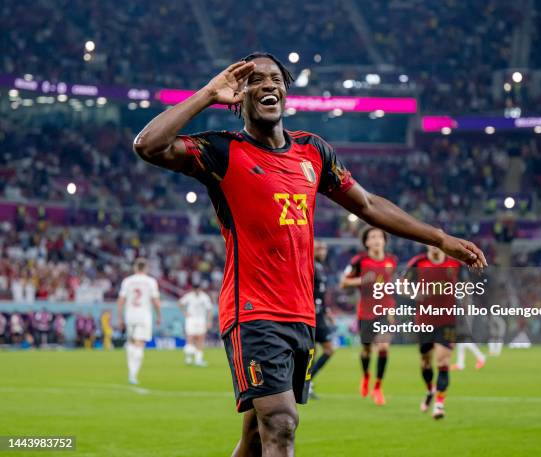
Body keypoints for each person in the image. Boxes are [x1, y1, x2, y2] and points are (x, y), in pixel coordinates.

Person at [133, 52, 486, 456]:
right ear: (238, 97)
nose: (269, 85)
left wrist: (438, 238)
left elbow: (368, 205)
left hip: (300, 315)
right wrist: (208, 93)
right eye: (255, 80)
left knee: (254, 439)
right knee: (281, 423)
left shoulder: (312, 152)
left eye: (276, 78)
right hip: (253, 311)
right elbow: (149, 145)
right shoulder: (223, 152)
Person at [340, 227, 397, 406]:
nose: (376, 240)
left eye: (379, 236)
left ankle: (378, 387)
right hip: (365, 312)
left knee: (383, 346)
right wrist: (362, 280)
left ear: (384, 241)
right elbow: (344, 283)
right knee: (366, 350)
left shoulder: (391, 261)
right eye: (372, 237)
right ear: (366, 242)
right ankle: (366, 376)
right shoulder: (359, 261)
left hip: (385, 310)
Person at [405, 245, 463, 420]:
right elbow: (401, 284)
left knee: (443, 360)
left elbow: (466, 286)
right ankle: (430, 389)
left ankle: (439, 405)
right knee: (425, 361)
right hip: (424, 320)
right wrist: (414, 294)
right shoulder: (418, 262)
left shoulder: (455, 264)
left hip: (448, 321)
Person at [117, 258, 161, 385]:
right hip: (144, 315)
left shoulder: (127, 281)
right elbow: (156, 301)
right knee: (139, 343)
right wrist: (159, 315)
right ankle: (133, 374)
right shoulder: (151, 281)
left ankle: (131, 372)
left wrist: (119, 318)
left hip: (130, 314)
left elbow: (120, 301)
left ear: (135, 268)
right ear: (146, 268)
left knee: (131, 342)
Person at [308, 240, 335, 399]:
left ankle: (308, 381)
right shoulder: (309, 265)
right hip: (310, 314)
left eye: (324, 248)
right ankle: (305, 383)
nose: (322, 251)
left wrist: (326, 310)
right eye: (319, 248)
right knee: (314, 350)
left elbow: (320, 292)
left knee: (326, 350)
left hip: (319, 314)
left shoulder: (320, 267)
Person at [178, 281, 213, 366]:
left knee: (200, 339)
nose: (196, 290)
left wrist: (209, 321)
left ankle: (198, 359)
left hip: (201, 319)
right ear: (193, 289)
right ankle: (189, 359)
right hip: (191, 319)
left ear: (200, 289)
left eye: (197, 289)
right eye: (195, 289)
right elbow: (180, 303)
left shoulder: (204, 297)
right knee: (190, 338)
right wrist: (185, 313)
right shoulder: (189, 296)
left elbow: (209, 310)